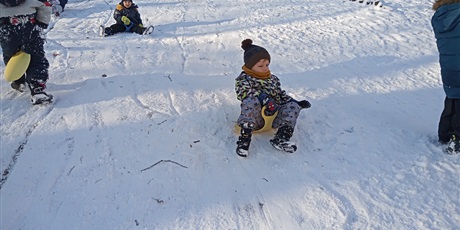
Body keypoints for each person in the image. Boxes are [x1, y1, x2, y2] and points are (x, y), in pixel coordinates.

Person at [235, 39, 311, 157]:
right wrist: (262, 98)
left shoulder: (273, 79)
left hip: (274, 116)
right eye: (260, 66)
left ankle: (281, 138)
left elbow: (280, 95)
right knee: (250, 101)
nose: (265, 68)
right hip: (256, 119)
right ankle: (244, 140)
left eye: (267, 65)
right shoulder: (244, 79)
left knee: (292, 107)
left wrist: (296, 103)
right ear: (250, 66)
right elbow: (243, 93)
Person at [0, 0, 53, 105]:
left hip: (5, 28)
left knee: (11, 56)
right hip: (29, 26)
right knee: (36, 57)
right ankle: (37, 87)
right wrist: (42, 22)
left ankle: (18, 80)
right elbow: (45, 4)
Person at [432, 0, 460, 154]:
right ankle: (458, 139)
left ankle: (444, 134)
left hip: (449, 67)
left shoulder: (439, 17)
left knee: (453, 97)